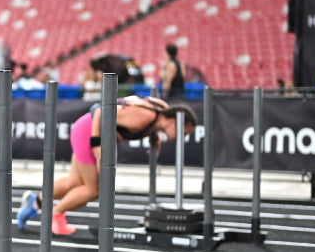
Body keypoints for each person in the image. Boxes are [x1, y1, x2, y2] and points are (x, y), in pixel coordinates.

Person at [18, 95, 197, 235]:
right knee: (93, 189)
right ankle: (55, 213)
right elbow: (100, 111)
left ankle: (36, 202)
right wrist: (97, 144)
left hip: (85, 127)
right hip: (89, 132)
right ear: (173, 121)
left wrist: (156, 134)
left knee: (74, 182)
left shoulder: (162, 109)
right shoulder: (142, 118)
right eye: (184, 132)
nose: (183, 138)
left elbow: (132, 103)